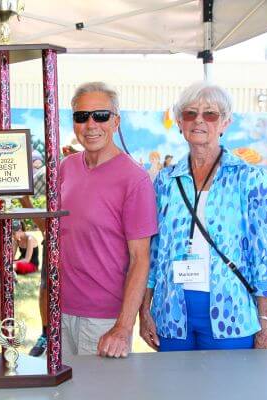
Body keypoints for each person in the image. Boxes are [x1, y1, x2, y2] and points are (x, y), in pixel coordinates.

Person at [139, 82, 267, 352]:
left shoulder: (249, 179)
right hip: (171, 310)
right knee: (173, 391)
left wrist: (266, 324)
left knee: (227, 392)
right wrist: (144, 311)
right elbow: (153, 250)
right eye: (189, 113)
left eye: (210, 114)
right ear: (180, 122)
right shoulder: (165, 180)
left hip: (231, 312)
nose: (199, 120)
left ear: (225, 123)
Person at [59, 82, 157, 358]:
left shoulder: (134, 180)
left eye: (100, 115)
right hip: (61, 313)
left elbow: (141, 259)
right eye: (82, 116)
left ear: (116, 121)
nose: (91, 125)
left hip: (104, 321)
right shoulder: (66, 168)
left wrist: (123, 327)